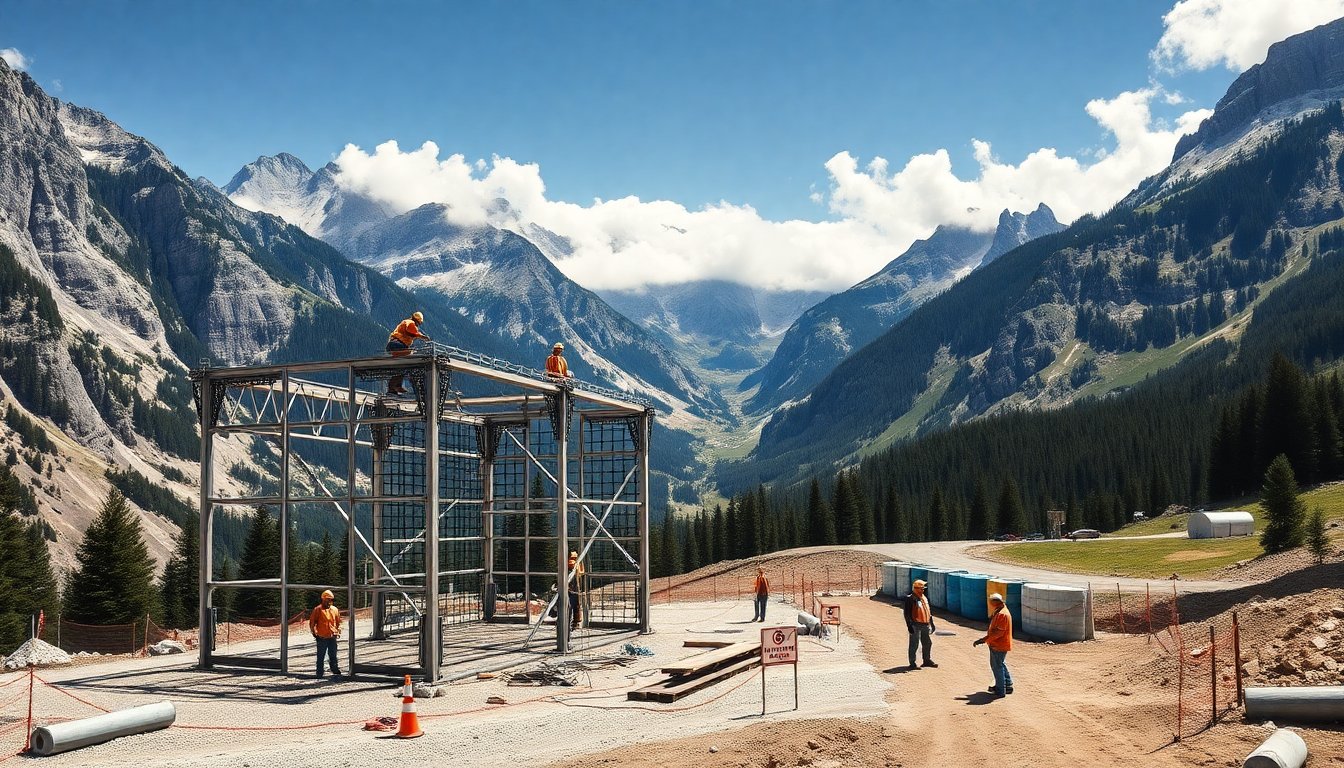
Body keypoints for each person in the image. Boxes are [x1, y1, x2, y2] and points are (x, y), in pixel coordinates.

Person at [973, 592, 1013, 697]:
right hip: (999, 644)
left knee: (997, 666)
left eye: (991, 601)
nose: (990, 603)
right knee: (1000, 664)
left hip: (998, 645)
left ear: (996, 602)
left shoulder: (1002, 614)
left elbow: (998, 633)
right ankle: (1008, 685)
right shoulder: (1000, 611)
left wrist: (984, 640)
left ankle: (1001, 690)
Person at [386, 312, 431, 394]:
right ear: (417, 321)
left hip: (394, 344)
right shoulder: (410, 323)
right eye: (418, 323)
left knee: (401, 365)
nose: (418, 325)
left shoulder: (407, 322)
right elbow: (412, 331)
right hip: (397, 344)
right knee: (406, 363)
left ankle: (396, 386)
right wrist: (423, 337)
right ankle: (394, 386)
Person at [902, 579, 938, 670]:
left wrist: (932, 623)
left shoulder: (924, 598)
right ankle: (912, 663)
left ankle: (926, 660)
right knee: (914, 644)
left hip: (925, 624)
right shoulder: (910, 598)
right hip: (915, 624)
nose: (923, 590)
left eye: (923, 588)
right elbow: (907, 613)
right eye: (921, 588)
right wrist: (909, 625)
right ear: (916, 588)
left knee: (927, 643)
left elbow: (928, 611)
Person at [309, 589, 342, 678]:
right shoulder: (318, 609)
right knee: (321, 656)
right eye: (327, 599)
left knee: (333, 655)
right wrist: (314, 633)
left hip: (332, 636)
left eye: (330, 599)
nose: (329, 601)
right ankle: (319, 672)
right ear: (323, 599)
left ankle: (335, 669)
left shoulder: (334, 609)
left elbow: (338, 622)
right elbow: (312, 622)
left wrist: (338, 631)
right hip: (322, 637)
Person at [567, 550, 584, 630]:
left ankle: (573, 622)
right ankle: (573, 622)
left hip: (573, 590)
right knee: (573, 606)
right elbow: (581, 573)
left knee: (573, 606)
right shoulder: (575, 566)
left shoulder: (574, 566)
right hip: (573, 590)